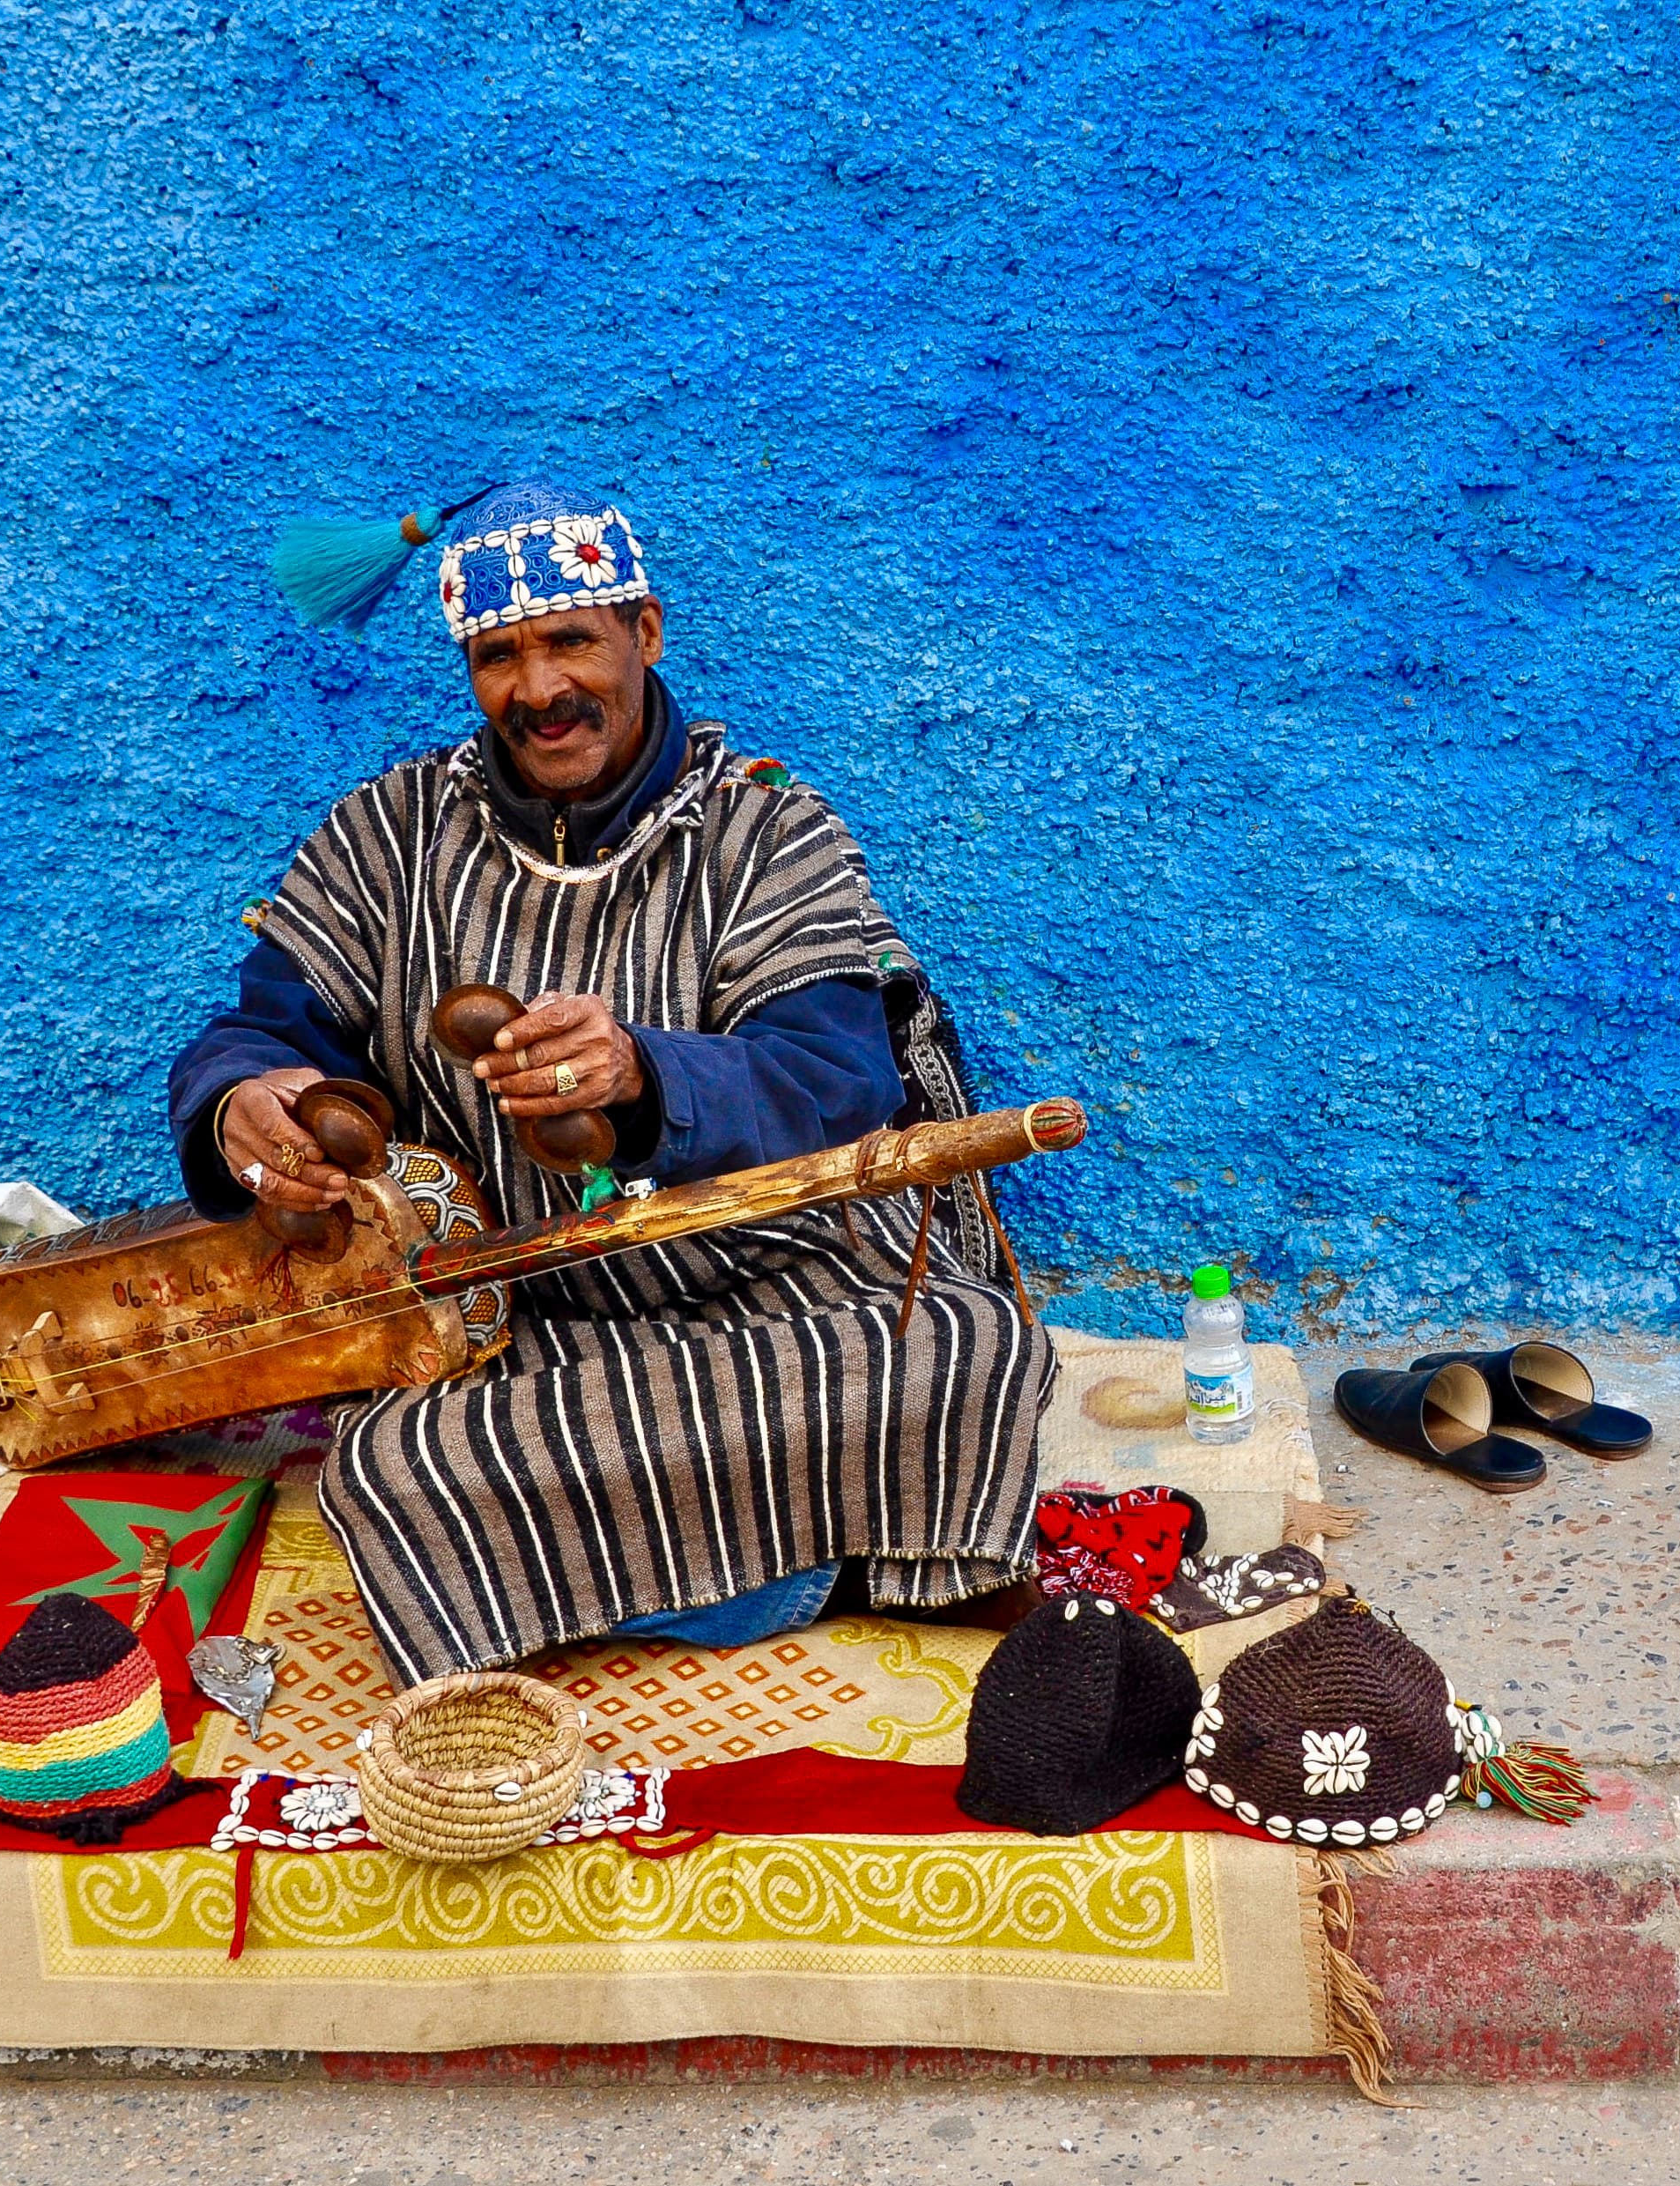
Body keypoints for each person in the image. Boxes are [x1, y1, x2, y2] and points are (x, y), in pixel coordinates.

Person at [165, 485, 1052, 1684]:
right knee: (385, 1466)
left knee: (961, 1345)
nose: (537, 690)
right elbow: (261, 1027)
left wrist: (644, 1074)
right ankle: (821, 1564)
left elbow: (839, 1076)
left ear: (647, 629)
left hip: (780, 1285)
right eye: (497, 656)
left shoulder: (763, 827)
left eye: (570, 640)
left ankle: (638, 1579)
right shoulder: (387, 833)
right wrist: (244, 1103)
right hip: (516, 1320)